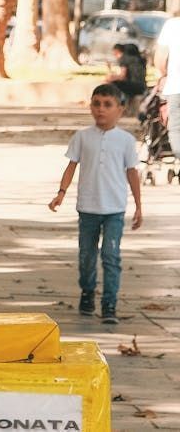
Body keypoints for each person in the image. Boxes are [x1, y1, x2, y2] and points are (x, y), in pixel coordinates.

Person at [48, 84, 143, 325]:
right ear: (90, 106)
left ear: (120, 110)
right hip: (88, 208)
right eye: (96, 104)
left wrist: (139, 206)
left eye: (107, 105)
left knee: (111, 256)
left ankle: (109, 304)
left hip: (114, 209)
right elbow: (71, 166)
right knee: (87, 256)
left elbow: (132, 173)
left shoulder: (126, 140)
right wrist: (61, 193)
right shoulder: (82, 137)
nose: (101, 110)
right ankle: (87, 292)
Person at [156, 15, 180, 154]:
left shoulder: (172, 25)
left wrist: (164, 74)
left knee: (176, 128)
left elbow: (160, 58)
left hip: (176, 85)